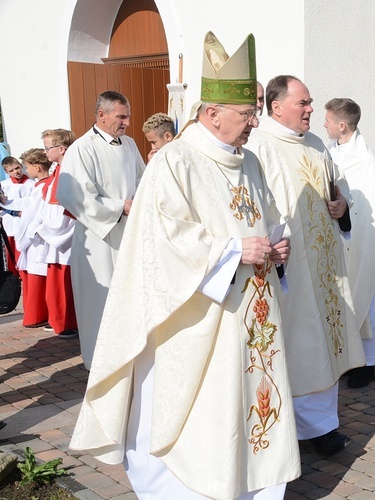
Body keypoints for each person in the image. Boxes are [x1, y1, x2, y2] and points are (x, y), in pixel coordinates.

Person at [70, 32, 300, 499]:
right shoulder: (174, 162)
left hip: (251, 310)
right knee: (202, 409)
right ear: (211, 114)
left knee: (248, 400)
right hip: (194, 318)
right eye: (246, 114)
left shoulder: (249, 162)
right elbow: (163, 240)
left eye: (255, 113)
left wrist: (279, 246)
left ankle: (250, 486)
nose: (254, 121)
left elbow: (270, 218)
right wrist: (235, 251)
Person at [248, 75, 365, 457]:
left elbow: (339, 186)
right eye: (303, 104)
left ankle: (322, 425)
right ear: (277, 107)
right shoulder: (258, 148)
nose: (311, 110)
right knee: (301, 345)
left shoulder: (316, 144)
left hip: (326, 267)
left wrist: (342, 205)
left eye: (311, 103)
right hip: (290, 268)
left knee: (324, 347)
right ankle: (299, 429)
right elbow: (253, 207)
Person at [56, 90, 146, 369]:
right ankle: (99, 364)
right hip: (99, 239)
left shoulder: (129, 144)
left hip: (129, 233)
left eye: (127, 116)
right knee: (101, 302)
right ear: (101, 115)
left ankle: (130, 356)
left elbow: (143, 180)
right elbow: (73, 195)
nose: (126, 122)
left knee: (130, 296)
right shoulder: (82, 148)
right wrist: (120, 206)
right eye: (121, 116)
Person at [324, 98, 375, 388]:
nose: (324, 124)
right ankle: (349, 358)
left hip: (363, 243)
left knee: (367, 300)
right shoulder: (330, 152)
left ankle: (369, 363)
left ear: (342, 125)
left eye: (328, 120)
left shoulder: (366, 160)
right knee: (344, 299)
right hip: (340, 239)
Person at [40, 129, 78, 339]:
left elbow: (66, 209)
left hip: (63, 234)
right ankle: (58, 319)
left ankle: (67, 322)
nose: (45, 153)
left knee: (65, 281)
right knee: (56, 281)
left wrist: (46, 230)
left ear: (61, 149)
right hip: (54, 232)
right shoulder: (57, 170)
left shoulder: (68, 172)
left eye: (48, 148)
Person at [14, 148, 54, 328]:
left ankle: (39, 316)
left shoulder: (44, 187)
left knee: (39, 279)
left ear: (37, 168)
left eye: (27, 167)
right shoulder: (42, 185)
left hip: (37, 239)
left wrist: (23, 236)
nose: (25, 171)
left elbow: (32, 213)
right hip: (37, 238)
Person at [0, 156, 34, 276]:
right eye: (12, 170)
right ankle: (14, 274)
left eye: (17, 168)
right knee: (11, 248)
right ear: (6, 172)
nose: (16, 172)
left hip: (26, 221)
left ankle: (25, 272)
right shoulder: (4, 185)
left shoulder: (32, 184)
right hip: (11, 222)